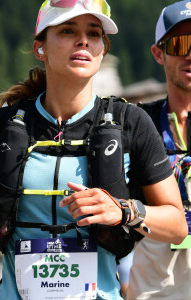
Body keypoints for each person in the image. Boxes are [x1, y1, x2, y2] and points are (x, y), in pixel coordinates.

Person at [0, 1, 188, 299]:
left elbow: (176, 225)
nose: (83, 40)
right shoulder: (6, 123)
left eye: (93, 34)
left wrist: (122, 210)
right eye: (68, 30)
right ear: (40, 47)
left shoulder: (132, 122)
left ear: (102, 49)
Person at [127, 1, 191, 299]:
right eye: (180, 43)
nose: (190, 53)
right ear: (158, 53)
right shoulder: (139, 124)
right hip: (155, 286)